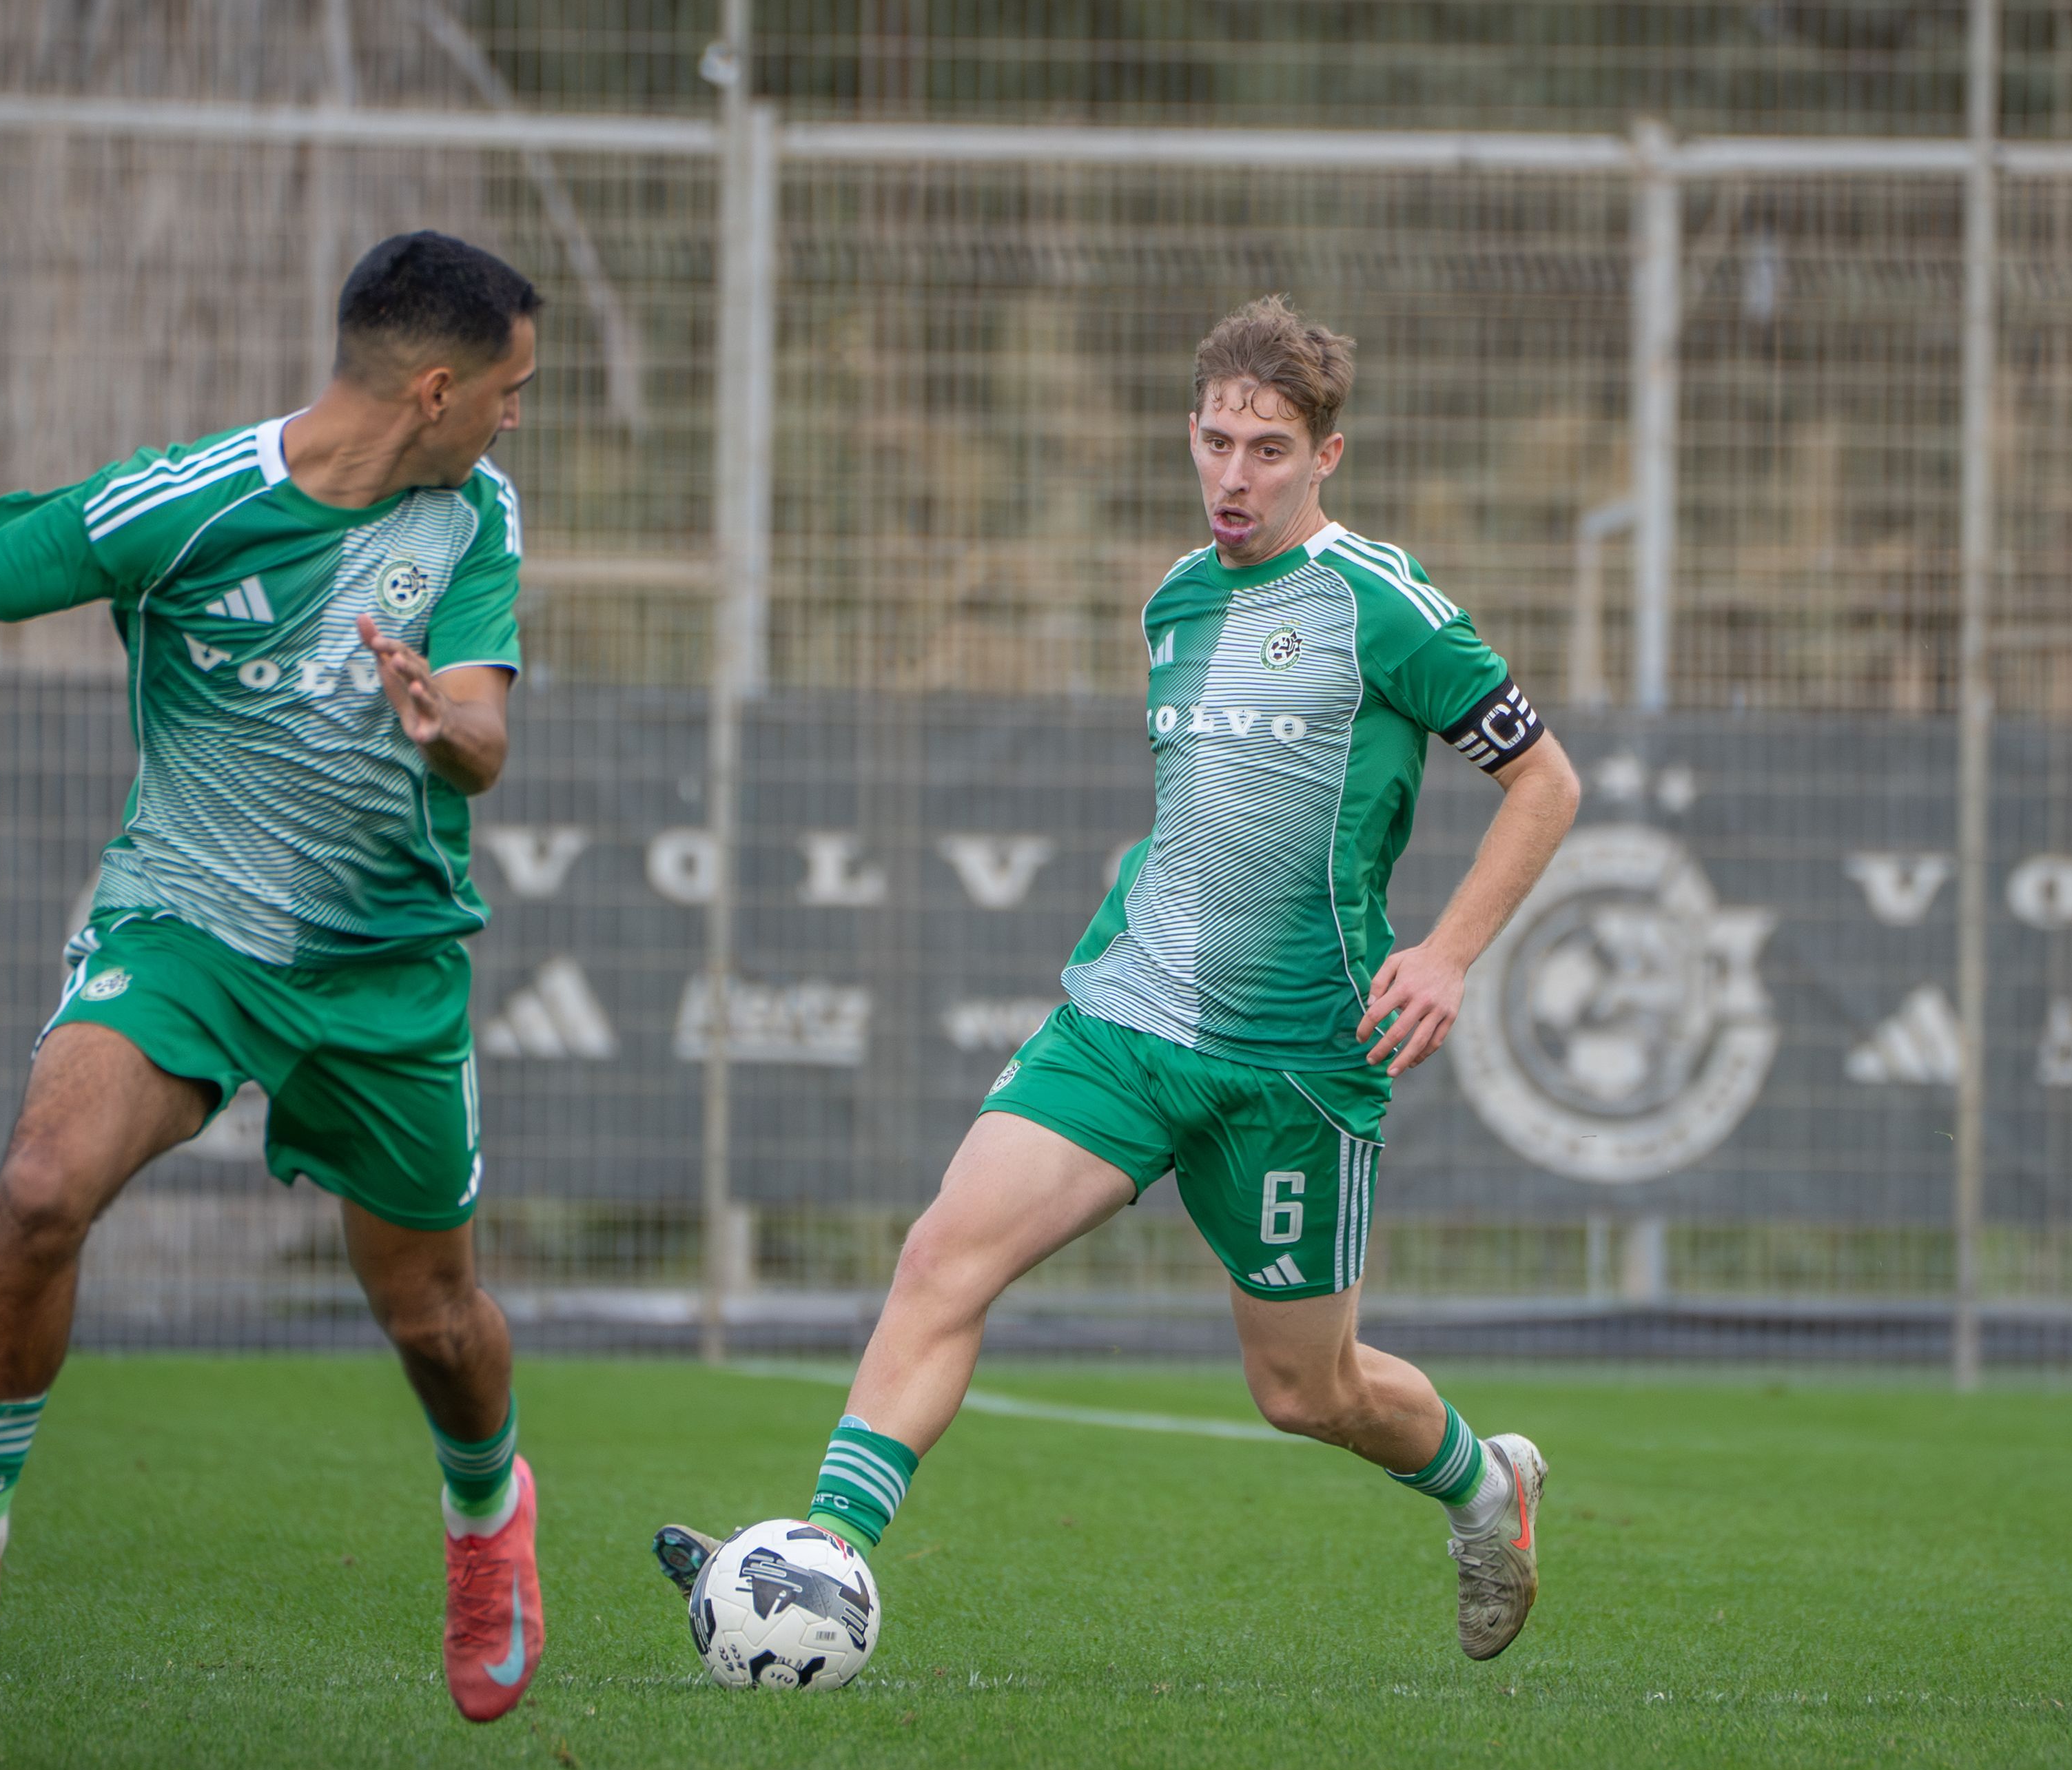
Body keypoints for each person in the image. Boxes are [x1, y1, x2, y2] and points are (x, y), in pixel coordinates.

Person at [0, 231, 547, 1721]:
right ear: (433, 389)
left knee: (434, 1317)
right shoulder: (183, 503)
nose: (515, 415)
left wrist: (441, 724)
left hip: (384, 963)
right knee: (39, 1189)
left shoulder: (472, 511)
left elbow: (483, 736)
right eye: (508, 389)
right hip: (182, 931)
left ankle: (487, 1518)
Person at [658, 298, 1581, 1660]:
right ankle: (821, 1557)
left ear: (1325, 456)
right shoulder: (1173, 600)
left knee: (1304, 1390)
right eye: (1214, 441)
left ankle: (1483, 1485)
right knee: (942, 1256)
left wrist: (1445, 954)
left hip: (1293, 1064)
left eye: (1268, 449)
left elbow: (1545, 784)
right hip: (1124, 1019)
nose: (1232, 475)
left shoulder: (1383, 604)